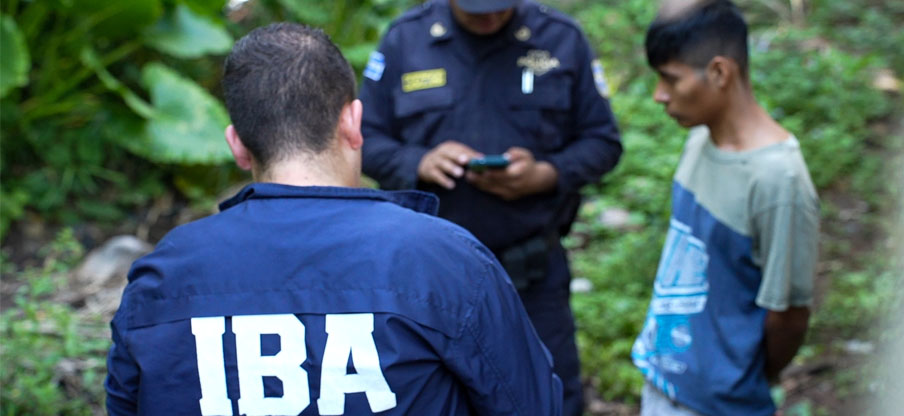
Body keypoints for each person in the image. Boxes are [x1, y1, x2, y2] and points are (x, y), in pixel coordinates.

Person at [104, 22, 562, 416]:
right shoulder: (444, 259)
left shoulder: (162, 275)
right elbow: (532, 403)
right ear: (352, 123)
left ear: (237, 145)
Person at [359, 1, 622, 414]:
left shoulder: (560, 39)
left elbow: (603, 141)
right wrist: (417, 162)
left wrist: (547, 174)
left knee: (550, 398)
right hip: (428, 280)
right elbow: (363, 139)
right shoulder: (405, 40)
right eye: (476, 8)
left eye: (501, 7)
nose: (490, 18)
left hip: (532, 275)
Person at [630, 1, 819, 415]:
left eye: (670, 79)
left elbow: (788, 314)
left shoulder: (777, 179)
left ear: (719, 72)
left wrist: (736, 378)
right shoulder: (700, 139)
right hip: (664, 379)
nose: (659, 96)